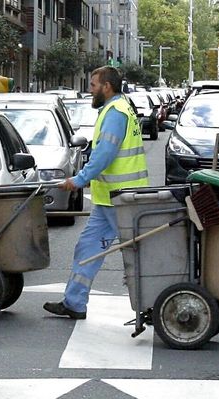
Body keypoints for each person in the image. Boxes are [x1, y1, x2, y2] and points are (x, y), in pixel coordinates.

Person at [43, 66, 148, 320]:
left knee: (138, 255)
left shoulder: (115, 112)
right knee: (87, 248)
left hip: (121, 198)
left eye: (92, 85)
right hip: (110, 199)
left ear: (106, 87)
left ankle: (152, 304)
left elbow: (105, 154)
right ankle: (74, 303)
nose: (89, 90)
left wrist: (80, 179)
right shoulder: (119, 108)